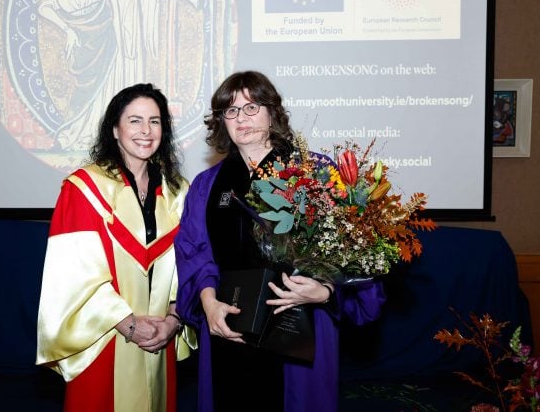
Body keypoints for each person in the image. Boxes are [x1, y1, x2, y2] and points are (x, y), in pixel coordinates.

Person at [174, 71, 387, 412]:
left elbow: (351, 249)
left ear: (272, 112)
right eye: (231, 111)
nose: (241, 118)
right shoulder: (207, 185)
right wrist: (208, 302)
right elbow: (194, 252)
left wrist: (327, 292)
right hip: (231, 325)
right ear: (221, 123)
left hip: (299, 321)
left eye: (251, 107)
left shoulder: (314, 172)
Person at [36, 83, 196, 412]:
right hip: (105, 339)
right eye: (135, 120)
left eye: (155, 121)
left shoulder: (178, 193)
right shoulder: (84, 188)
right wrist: (128, 324)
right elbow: (73, 275)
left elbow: (190, 264)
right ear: (115, 129)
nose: (146, 130)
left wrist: (173, 319)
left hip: (159, 339)